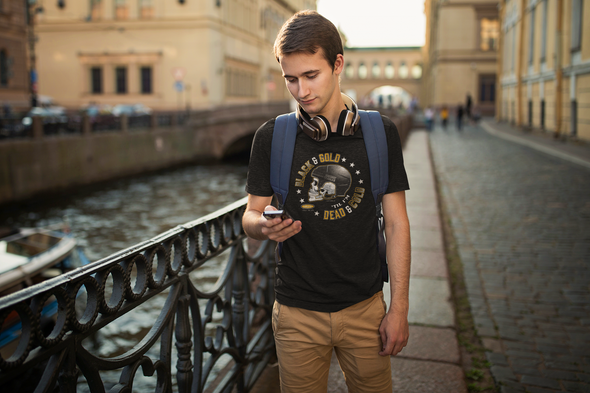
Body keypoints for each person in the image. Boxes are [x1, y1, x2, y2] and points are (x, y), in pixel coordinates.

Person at [243, 10, 411, 393]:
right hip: (296, 313)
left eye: (311, 76)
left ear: (338, 65)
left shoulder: (380, 133)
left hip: (366, 308)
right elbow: (250, 214)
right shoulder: (271, 138)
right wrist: (263, 225)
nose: (301, 91)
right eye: (291, 79)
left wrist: (398, 307)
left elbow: (398, 224)